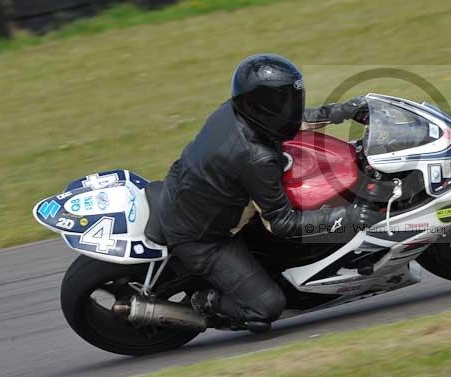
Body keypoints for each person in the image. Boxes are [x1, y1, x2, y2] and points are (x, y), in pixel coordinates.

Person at [145, 54, 380, 332]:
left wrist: (343, 111)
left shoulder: (235, 110)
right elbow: (283, 224)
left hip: (187, 192)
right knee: (267, 307)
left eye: (290, 99)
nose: (289, 107)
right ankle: (203, 301)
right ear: (260, 106)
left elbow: (292, 121)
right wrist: (350, 215)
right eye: (280, 102)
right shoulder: (255, 158)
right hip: (203, 239)